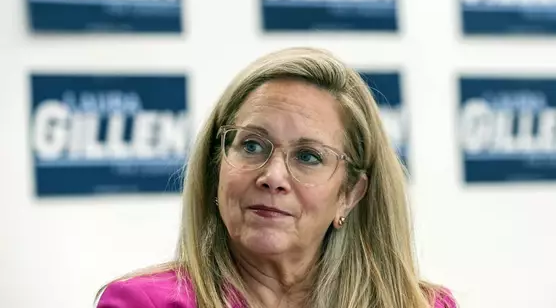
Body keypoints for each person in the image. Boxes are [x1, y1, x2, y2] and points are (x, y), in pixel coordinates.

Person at [95, 47, 457, 308]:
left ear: (349, 194)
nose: (273, 176)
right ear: (216, 165)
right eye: (252, 146)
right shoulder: (141, 303)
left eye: (308, 156)